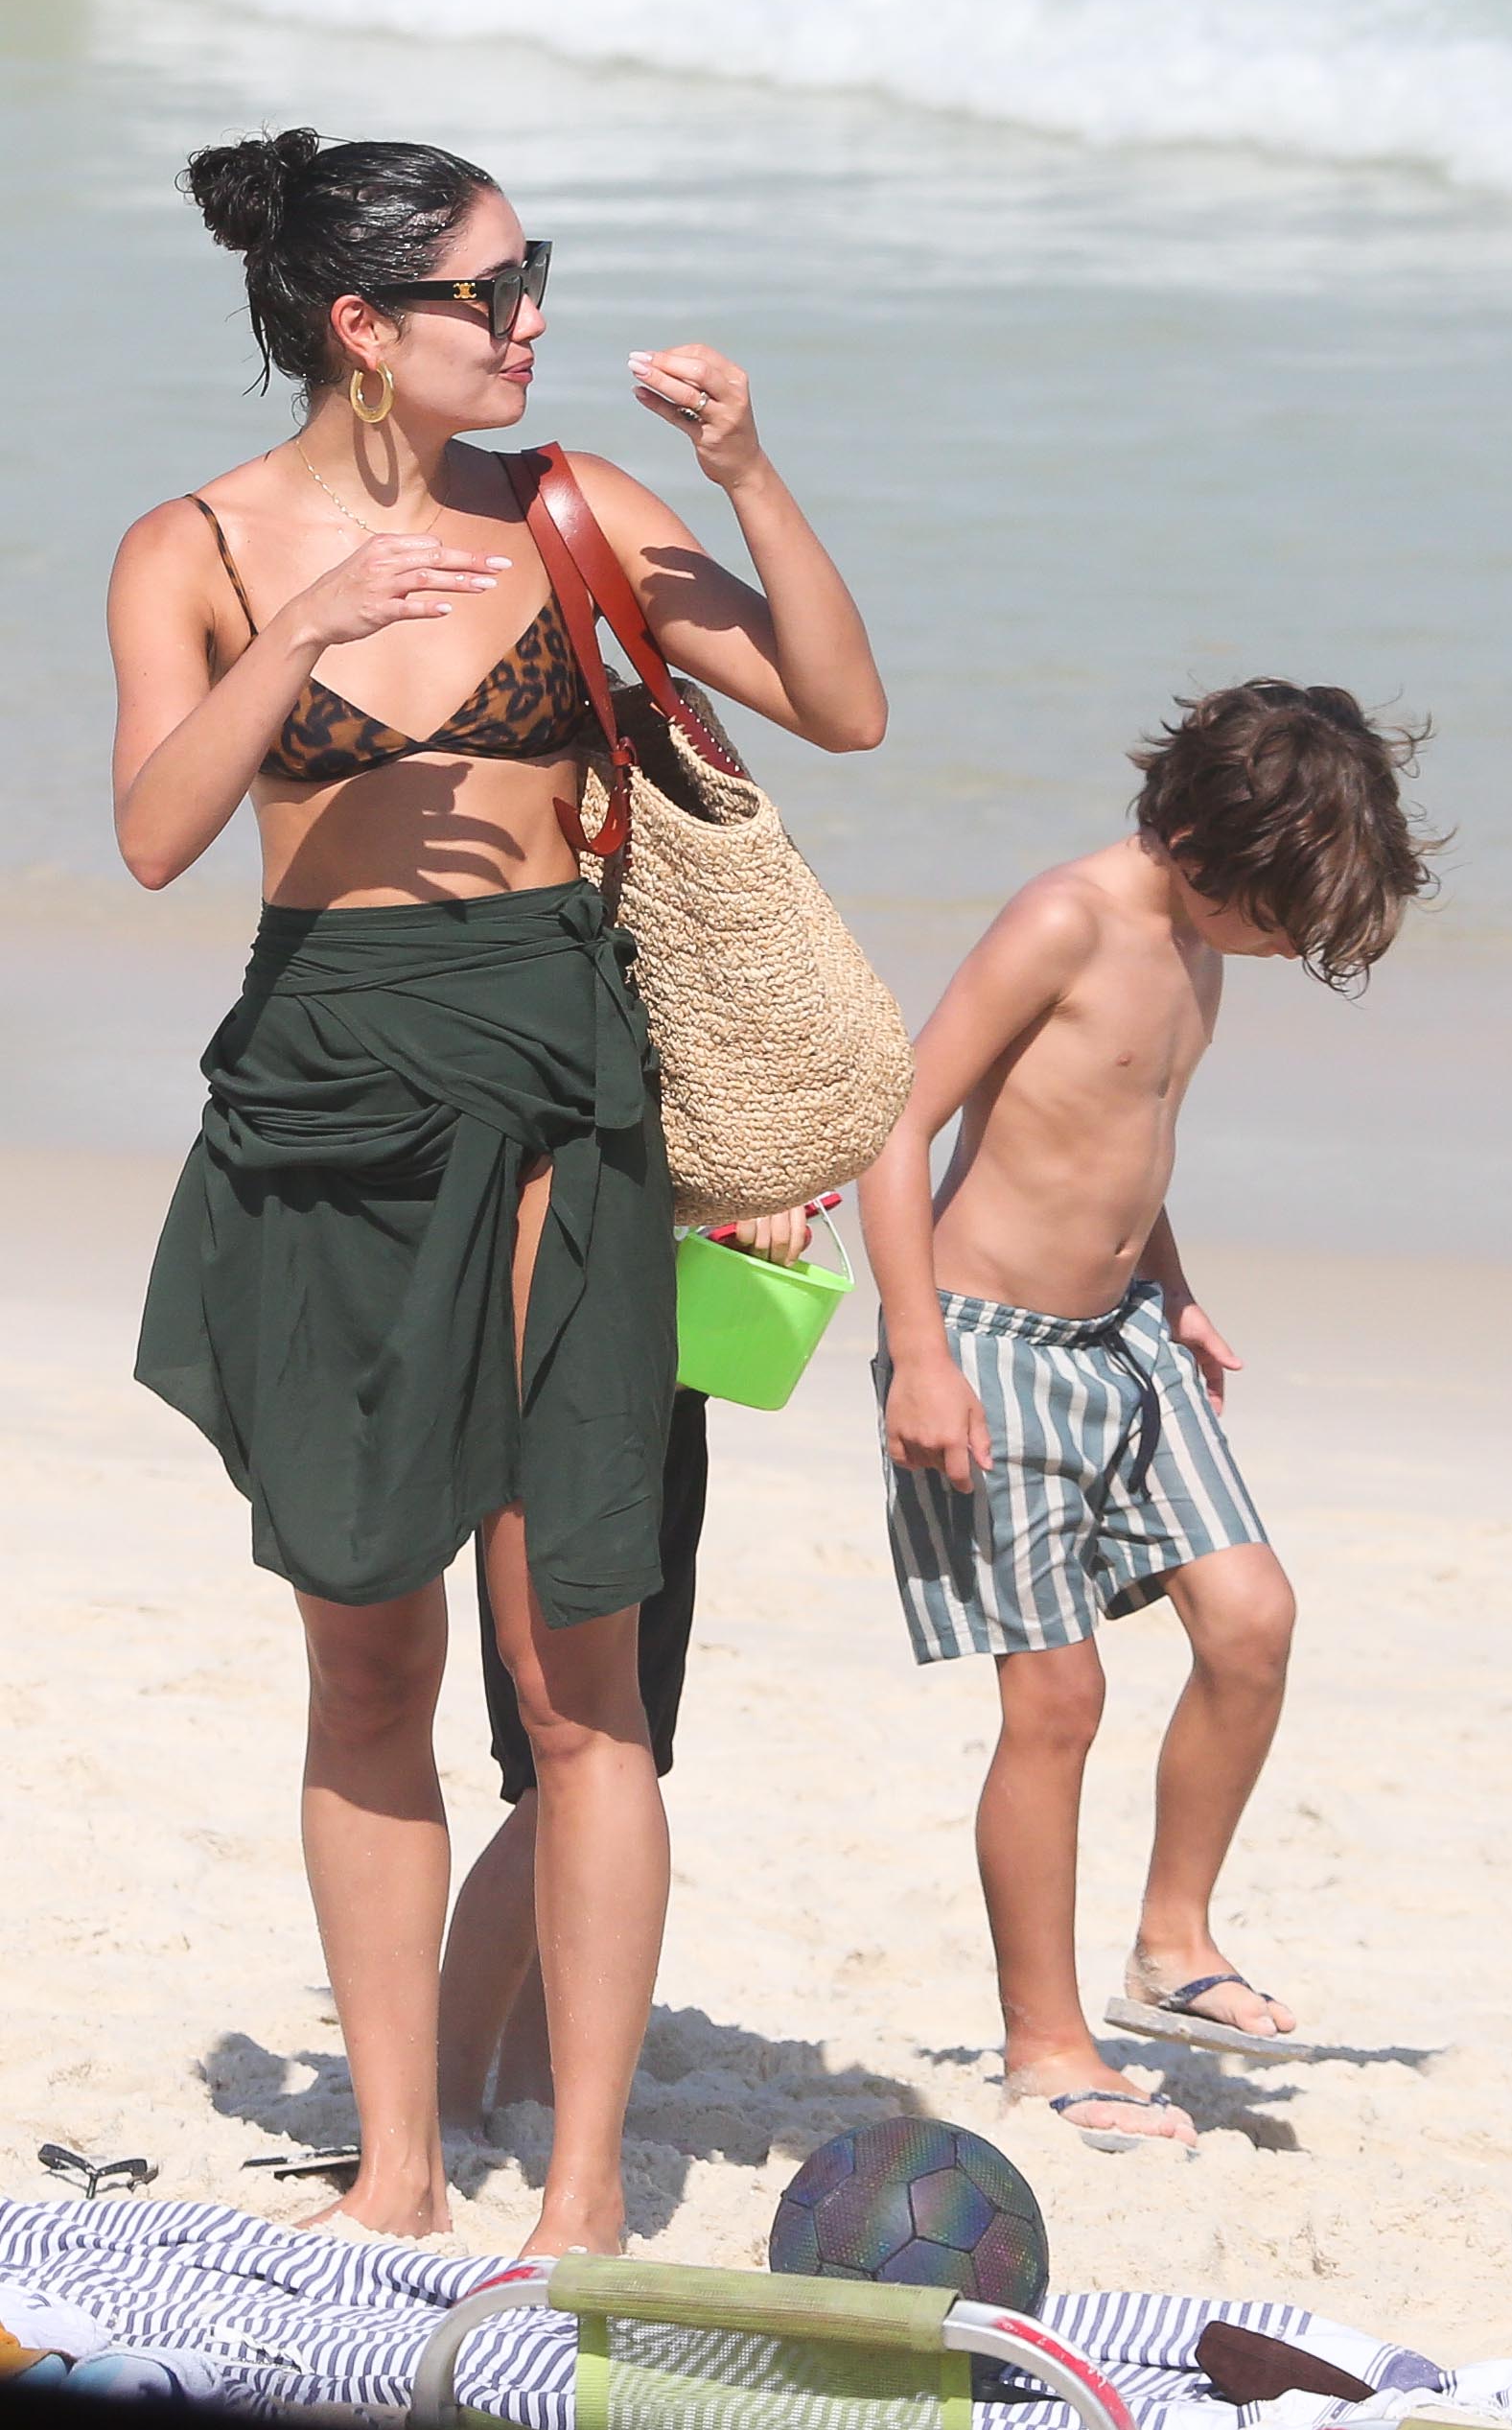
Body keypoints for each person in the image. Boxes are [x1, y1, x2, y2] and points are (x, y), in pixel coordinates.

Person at [112, 130, 885, 2252]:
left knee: (580, 1678)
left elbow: (844, 702)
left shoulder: (570, 506)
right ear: (360, 326)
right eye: (488, 286)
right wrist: (315, 630)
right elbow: (162, 828)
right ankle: (389, 2159)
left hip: (561, 1079)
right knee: (363, 1660)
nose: (528, 311)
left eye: (534, 270)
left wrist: (746, 471)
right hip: (328, 1094)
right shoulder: (193, 542)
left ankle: (579, 2187)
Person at [859, 682, 1437, 2147]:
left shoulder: (1201, 940)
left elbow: (1123, 1140)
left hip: (1128, 1338)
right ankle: (1046, 2041)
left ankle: (1172, 1944)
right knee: (1055, 1701)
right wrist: (917, 1350)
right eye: (1277, 907)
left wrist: (1171, 1285)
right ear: (1191, 832)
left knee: (1253, 1620)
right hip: (987, 1345)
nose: (1285, 940)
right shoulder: (1065, 918)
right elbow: (896, 1121)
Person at [434, 1202, 808, 2127]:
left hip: (653, 1345)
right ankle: (438, 2097)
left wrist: (756, 1175)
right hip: (546, 1326)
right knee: (567, 1772)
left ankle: (529, 2078)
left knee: (612, 1754)